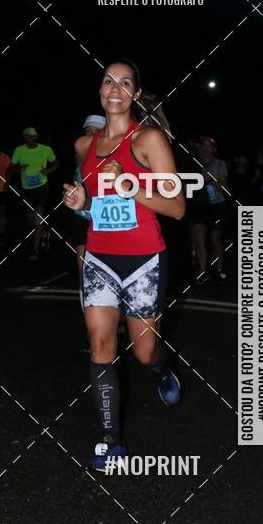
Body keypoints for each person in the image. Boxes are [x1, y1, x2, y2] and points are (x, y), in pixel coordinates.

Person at [63, 58, 185, 473]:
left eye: (125, 83)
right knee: (100, 344)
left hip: (144, 260)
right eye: (108, 81)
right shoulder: (84, 146)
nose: (115, 88)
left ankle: (163, 370)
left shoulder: (148, 140)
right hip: (99, 256)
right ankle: (110, 441)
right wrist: (82, 205)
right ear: (100, 89)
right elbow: (96, 208)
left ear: (134, 93)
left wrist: (130, 185)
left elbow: (177, 207)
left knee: (144, 350)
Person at [8, 127, 59, 259]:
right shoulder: (19, 150)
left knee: (37, 217)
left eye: (31, 136)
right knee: (30, 219)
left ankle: (35, 250)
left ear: (36, 137)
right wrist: (19, 170)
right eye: (26, 136)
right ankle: (44, 233)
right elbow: (11, 168)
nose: (29, 138)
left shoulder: (45, 149)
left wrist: (47, 171)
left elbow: (56, 164)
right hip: (26, 188)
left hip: (42, 186)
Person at [71, 115, 106, 302]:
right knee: (83, 263)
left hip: (106, 218)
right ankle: (88, 302)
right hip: (82, 216)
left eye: (95, 131)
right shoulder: (81, 152)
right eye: (87, 131)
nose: (90, 135)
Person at [190, 136, 228, 283]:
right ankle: (202, 270)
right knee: (199, 240)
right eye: (203, 146)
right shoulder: (194, 164)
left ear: (214, 149)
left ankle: (219, 268)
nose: (206, 149)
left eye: (209, 146)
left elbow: (223, 187)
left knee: (215, 239)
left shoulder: (220, 164)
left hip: (217, 205)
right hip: (199, 205)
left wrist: (208, 179)